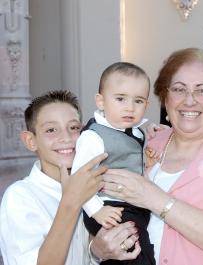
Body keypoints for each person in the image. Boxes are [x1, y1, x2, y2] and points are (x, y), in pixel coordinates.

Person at [101, 48, 203, 265]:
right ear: (166, 99)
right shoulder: (144, 141)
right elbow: (101, 202)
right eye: (178, 89)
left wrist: (153, 197)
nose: (189, 100)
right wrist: (97, 246)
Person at [0, 90, 140, 265]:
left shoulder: (95, 187)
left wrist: (96, 251)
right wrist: (70, 201)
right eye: (51, 130)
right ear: (30, 140)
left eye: (73, 128)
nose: (65, 138)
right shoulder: (20, 197)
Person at [71, 62, 155, 265]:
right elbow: (79, 179)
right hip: (108, 206)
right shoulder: (93, 137)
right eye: (120, 99)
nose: (130, 107)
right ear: (100, 101)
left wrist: (149, 126)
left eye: (138, 101)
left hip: (134, 206)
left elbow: (138, 129)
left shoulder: (135, 129)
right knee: (136, 255)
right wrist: (95, 210)